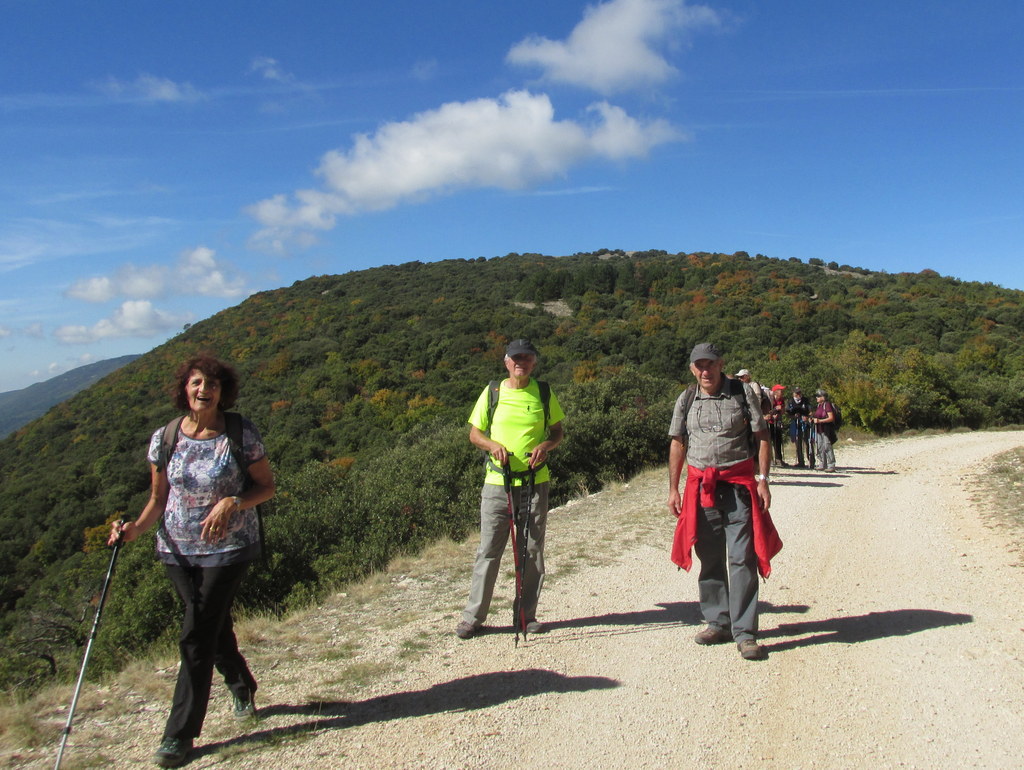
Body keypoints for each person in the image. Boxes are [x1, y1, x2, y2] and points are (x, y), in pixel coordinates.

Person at [109, 355, 275, 768]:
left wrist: (234, 502)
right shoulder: (165, 437)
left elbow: (266, 487)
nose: (205, 389)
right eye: (197, 382)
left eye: (213, 384)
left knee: (196, 633)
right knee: (210, 624)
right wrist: (132, 530)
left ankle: (178, 734)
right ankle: (241, 685)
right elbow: (157, 499)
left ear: (224, 391)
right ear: (185, 388)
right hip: (177, 549)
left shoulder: (240, 432)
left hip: (229, 547)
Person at [667, 343, 782, 661]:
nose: (705, 371)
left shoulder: (742, 394)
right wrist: (674, 489)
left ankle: (745, 633)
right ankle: (718, 621)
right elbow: (678, 443)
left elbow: (761, 437)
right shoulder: (687, 398)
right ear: (692, 369)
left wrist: (763, 480)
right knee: (710, 556)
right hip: (701, 488)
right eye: (699, 365)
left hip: (738, 487)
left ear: (721, 364)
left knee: (742, 558)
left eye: (711, 364)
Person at [456, 339, 565, 639]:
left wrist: (545, 446)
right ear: (506, 362)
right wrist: (492, 446)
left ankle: (525, 616)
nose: (522, 363)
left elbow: (557, 432)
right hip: (497, 483)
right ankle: (473, 618)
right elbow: (475, 434)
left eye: (527, 358)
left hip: (534, 482)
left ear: (534, 362)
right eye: (516, 358)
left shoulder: (543, 392)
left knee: (532, 549)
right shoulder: (492, 392)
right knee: (489, 550)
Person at [786, 386, 814, 469]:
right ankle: (800, 461)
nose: (798, 394)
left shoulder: (805, 400)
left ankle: (811, 461)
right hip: (795, 423)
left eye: (799, 393)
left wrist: (807, 416)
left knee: (808, 441)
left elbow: (811, 411)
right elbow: (787, 413)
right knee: (797, 441)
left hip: (805, 423)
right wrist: (793, 416)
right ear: (793, 393)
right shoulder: (790, 401)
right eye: (796, 393)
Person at [811, 389, 838, 472]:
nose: (816, 397)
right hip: (819, 429)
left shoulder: (827, 405)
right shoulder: (819, 405)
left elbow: (831, 418)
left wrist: (820, 421)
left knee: (827, 446)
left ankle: (831, 465)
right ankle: (822, 464)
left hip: (826, 430)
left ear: (823, 397)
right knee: (820, 446)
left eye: (818, 396)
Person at [767, 384, 788, 467]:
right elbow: (767, 411)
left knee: (778, 440)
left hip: (778, 422)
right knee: (769, 440)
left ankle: (779, 459)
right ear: (776, 391)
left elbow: (783, 411)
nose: (782, 392)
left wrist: (781, 410)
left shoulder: (781, 400)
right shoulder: (770, 399)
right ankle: (770, 459)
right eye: (780, 390)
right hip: (770, 422)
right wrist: (775, 410)